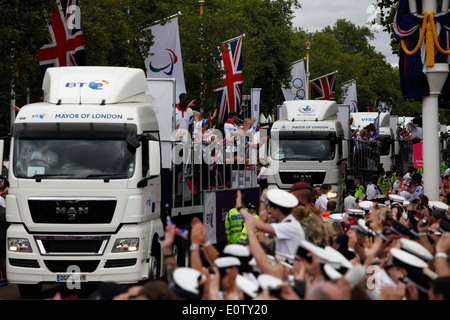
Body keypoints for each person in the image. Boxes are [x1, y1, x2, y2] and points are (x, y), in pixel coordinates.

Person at [237, 189, 304, 256]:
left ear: (277, 210)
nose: (269, 210)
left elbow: (261, 229)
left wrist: (240, 208)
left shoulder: (289, 226)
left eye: (270, 207)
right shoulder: (287, 223)